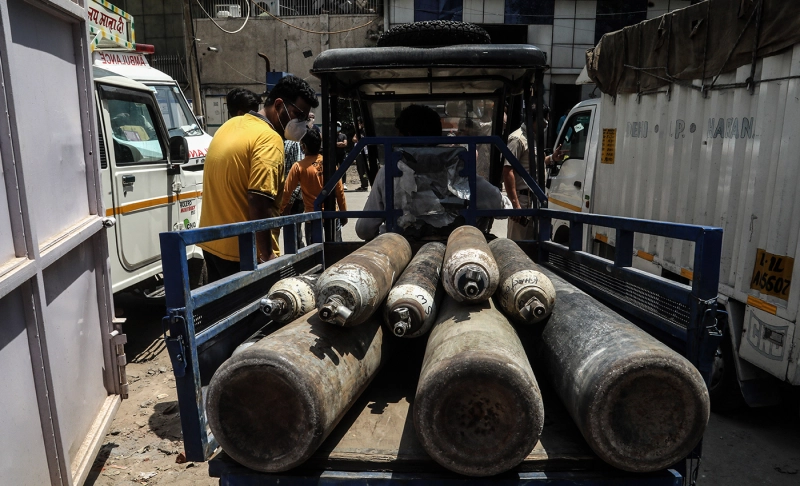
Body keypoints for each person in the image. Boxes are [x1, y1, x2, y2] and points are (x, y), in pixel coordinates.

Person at [199, 75, 318, 282]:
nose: (302, 123)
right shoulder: (269, 139)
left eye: (305, 118)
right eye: (298, 115)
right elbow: (259, 199)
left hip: (212, 243)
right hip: (245, 254)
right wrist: (267, 254)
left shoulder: (231, 125)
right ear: (279, 105)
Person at [355, 104, 503, 241]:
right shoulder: (460, 172)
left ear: (407, 135)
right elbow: (497, 204)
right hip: (455, 246)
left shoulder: (388, 173)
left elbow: (364, 230)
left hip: (402, 248)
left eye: (399, 136)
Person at [503, 104, 565, 240]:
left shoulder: (534, 139)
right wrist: (516, 205)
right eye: (544, 120)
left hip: (535, 200)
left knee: (532, 247)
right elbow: (508, 170)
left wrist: (552, 158)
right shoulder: (517, 139)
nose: (546, 124)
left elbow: (538, 163)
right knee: (518, 247)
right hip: (522, 201)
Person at [281, 129, 347, 244]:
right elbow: (339, 190)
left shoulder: (298, 167)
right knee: (336, 251)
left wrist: (281, 211)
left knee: (315, 253)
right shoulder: (329, 163)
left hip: (312, 217)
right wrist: (343, 212)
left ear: (304, 146)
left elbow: (287, 192)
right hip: (332, 214)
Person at [352, 117, 369, 191]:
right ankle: (363, 184)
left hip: (363, 152)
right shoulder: (359, 131)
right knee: (359, 169)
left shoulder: (364, 131)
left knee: (363, 170)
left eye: (359, 123)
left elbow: (356, 139)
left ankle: (365, 184)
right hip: (359, 152)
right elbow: (353, 139)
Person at [335, 121, 348, 190]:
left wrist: (337, 144)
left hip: (342, 155)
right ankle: (335, 182)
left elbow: (345, 144)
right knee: (334, 169)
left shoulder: (343, 135)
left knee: (343, 169)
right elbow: (332, 144)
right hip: (334, 155)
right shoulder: (332, 135)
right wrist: (340, 144)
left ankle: (344, 183)